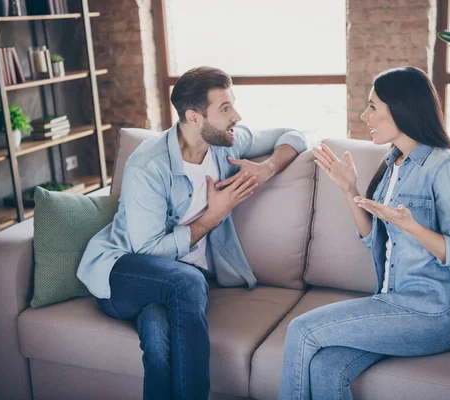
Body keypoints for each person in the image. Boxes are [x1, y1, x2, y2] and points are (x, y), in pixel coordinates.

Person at [77, 66, 307, 400]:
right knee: (187, 281)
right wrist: (213, 217)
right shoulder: (150, 166)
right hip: (123, 271)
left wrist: (267, 169)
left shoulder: (224, 144)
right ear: (194, 117)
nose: (237, 117)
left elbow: (293, 135)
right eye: (225, 109)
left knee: (159, 337)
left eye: (233, 105)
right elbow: (148, 253)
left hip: (177, 287)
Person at [279, 66, 450, 400]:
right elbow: (373, 239)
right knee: (325, 368)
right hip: (393, 301)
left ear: (402, 109)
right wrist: (349, 189)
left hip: (436, 312)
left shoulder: (445, 167)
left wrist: (412, 227)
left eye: (373, 106)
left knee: (302, 329)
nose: (365, 116)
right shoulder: (393, 164)